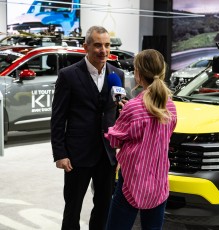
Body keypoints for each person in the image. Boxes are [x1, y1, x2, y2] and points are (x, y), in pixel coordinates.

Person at [50, 25, 124, 230]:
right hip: (77, 155)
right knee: (72, 208)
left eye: (107, 45)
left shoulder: (116, 75)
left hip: (107, 155)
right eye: (98, 45)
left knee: (104, 207)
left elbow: (117, 116)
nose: (104, 50)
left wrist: (120, 150)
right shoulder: (68, 75)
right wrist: (60, 153)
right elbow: (58, 118)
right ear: (86, 47)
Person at [104, 49, 177, 230]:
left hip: (131, 181)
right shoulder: (171, 106)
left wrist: (123, 117)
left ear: (138, 74)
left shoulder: (132, 108)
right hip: (159, 182)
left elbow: (115, 141)